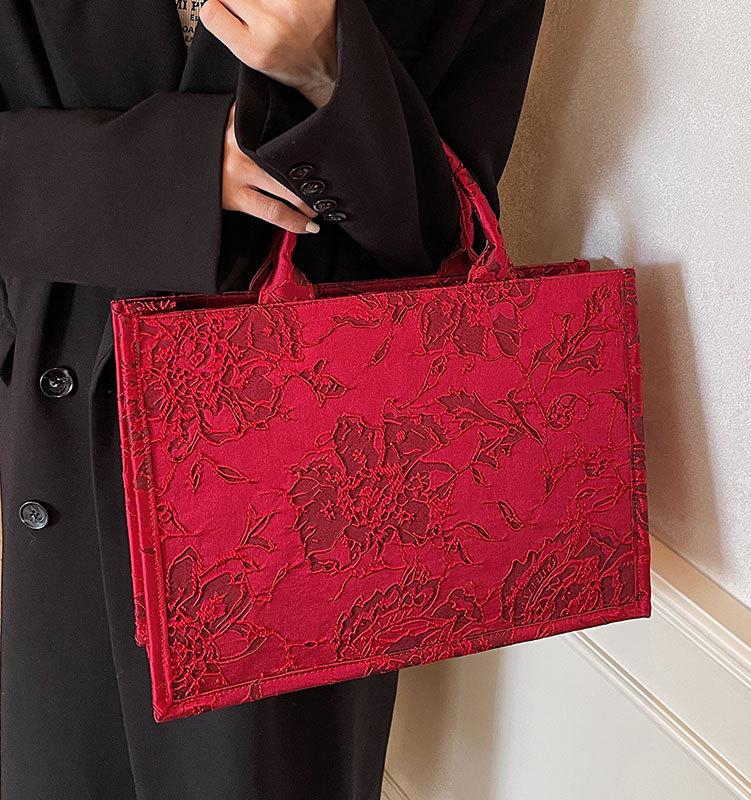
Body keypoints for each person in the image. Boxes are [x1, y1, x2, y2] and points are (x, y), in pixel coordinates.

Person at [0, 1, 546, 797]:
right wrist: (176, 168)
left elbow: (451, 234)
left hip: (305, 481)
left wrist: (332, 75)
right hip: (70, 424)